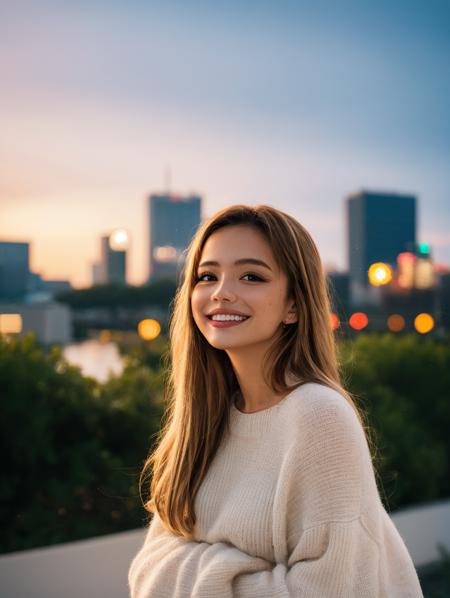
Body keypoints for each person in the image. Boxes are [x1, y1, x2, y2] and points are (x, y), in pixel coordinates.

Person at [128, 204, 424, 597]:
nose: (221, 292)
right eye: (207, 276)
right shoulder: (204, 420)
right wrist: (248, 574)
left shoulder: (319, 417)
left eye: (251, 276)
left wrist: (196, 567)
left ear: (294, 306)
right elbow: (146, 568)